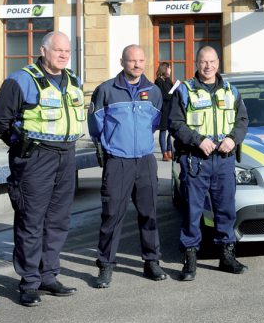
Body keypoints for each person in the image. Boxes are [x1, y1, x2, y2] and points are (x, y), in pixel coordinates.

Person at [0, 31, 85, 307]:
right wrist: (20, 144)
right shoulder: (22, 80)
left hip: (66, 156)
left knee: (58, 220)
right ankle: (29, 282)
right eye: (58, 51)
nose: (64, 55)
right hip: (35, 158)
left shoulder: (74, 80)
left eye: (67, 51)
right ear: (43, 51)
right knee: (31, 220)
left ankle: (48, 275)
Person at [88, 45, 169, 288]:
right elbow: (95, 125)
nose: (137, 65)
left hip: (145, 160)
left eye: (141, 60)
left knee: (149, 213)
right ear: (122, 61)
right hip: (118, 162)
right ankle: (106, 265)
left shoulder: (153, 91)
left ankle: (151, 261)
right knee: (112, 215)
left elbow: (154, 124)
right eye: (132, 60)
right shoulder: (106, 90)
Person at [169, 45, 249, 281]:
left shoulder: (231, 91)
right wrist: (197, 140)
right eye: (203, 62)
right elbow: (175, 123)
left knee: (225, 210)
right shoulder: (184, 91)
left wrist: (233, 140)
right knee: (193, 212)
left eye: (212, 61)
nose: (208, 66)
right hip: (197, 161)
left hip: (224, 161)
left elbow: (242, 120)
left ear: (218, 63)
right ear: (196, 63)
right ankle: (190, 261)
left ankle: (226, 257)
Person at [155, 61, 175, 161]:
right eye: (169, 68)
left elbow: (172, 93)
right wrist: (171, 93)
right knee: (163, 132)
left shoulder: (168, 80)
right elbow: (164, 95)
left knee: (170, 132)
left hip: (171, 108)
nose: (170, 70)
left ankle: (169, 150)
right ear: (165, 69)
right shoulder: (158, 81)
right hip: (163, 109)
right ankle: (164, 153)